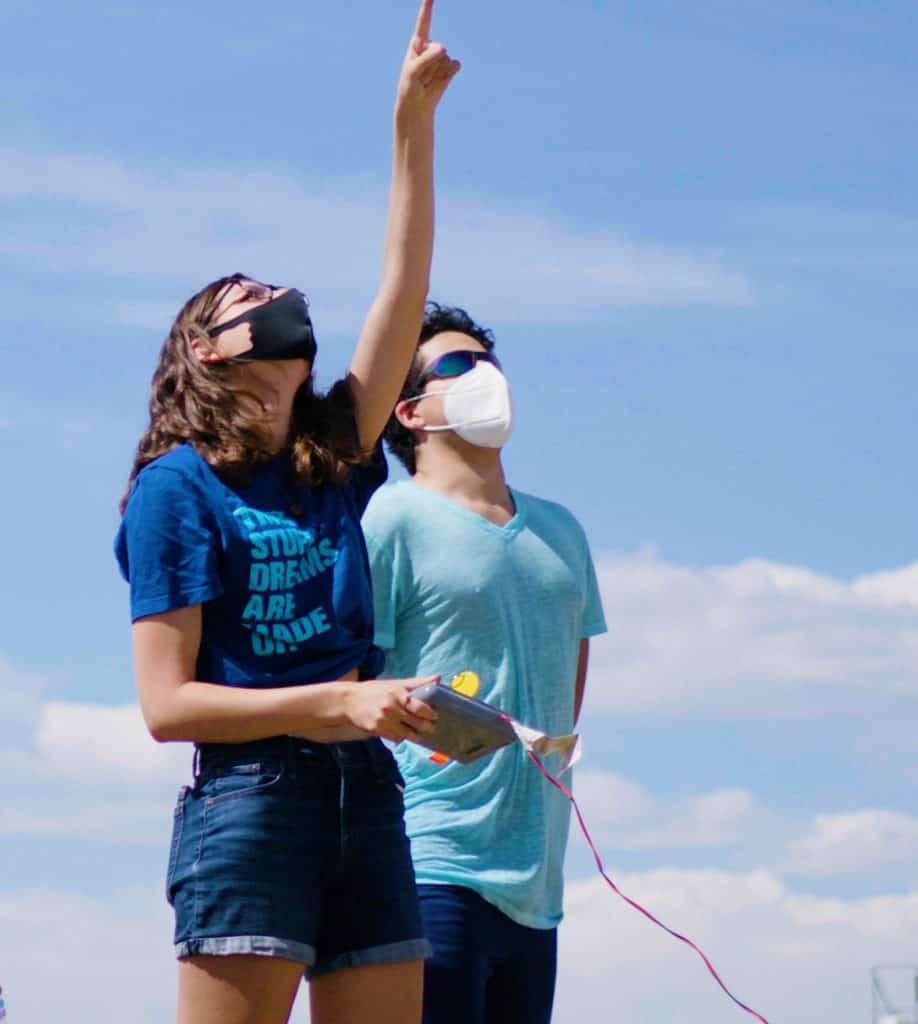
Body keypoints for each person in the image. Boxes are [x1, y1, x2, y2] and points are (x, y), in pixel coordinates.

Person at [114, 6, 459, 1023]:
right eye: (248, 295)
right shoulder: (176, 488)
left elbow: (406, 279)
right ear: (208, 349)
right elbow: (167, 706)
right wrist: (338, 700)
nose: (281, 300)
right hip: (249, 803)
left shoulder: (334, 455)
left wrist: (412, 122)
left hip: (369, 796)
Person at [362, 303, 608, 1024]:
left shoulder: (562, 529)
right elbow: (350, 686)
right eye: (458, 365)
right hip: (430, 859)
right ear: (408, 411)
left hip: (540, 885)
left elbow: (570, 683)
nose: (486, 376)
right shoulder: (391, 519)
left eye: (490, 361)